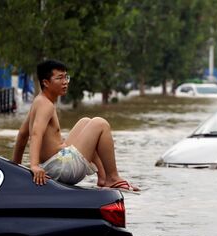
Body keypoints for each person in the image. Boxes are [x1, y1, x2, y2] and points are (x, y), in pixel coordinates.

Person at [12, 59, 138, 192]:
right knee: (100, 124)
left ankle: (103, 177)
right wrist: (34, 166)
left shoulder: (38, 101)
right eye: (59, 78)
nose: (65, 82)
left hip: (55, 164)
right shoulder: (46, 105)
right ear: (46, 82)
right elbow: (36, 133)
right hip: (60, 168)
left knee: (85, 123)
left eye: (66, 77)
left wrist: (14, 168)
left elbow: (22, 135)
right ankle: (113, 177)